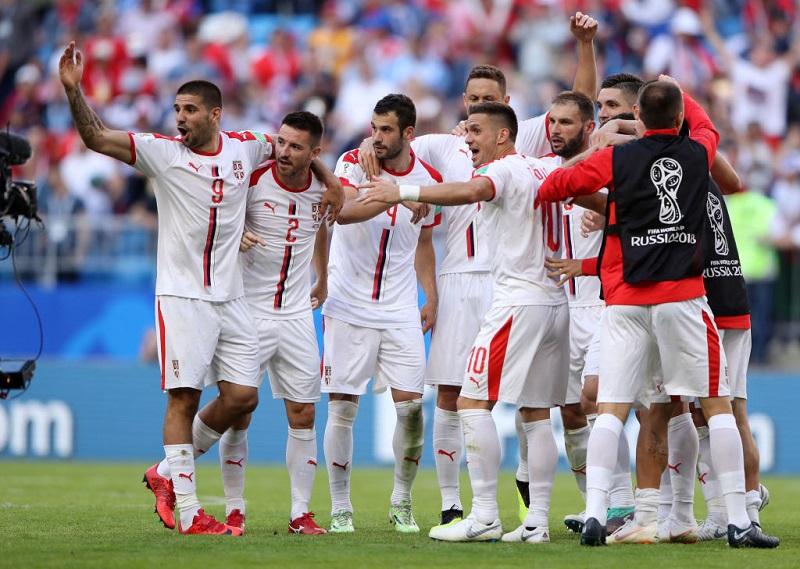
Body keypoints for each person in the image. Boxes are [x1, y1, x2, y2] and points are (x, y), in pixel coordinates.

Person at [58, 41, 342, 536]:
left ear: (215, 114)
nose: (180, 118)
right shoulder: (162, 153)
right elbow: (97, 136)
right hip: (183, 295)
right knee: (184, 397)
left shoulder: (245, 146)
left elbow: (293, 149)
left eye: (189, 110)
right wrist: (73, 91)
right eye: (176, 109)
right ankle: (191, 512)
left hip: (231, 299)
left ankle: (164, 472)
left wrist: (330, 180)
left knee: (243, 397)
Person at [356, 12, 600, 526]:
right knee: (453, 394)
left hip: (510, 284)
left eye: (487, 97)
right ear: (462, 101)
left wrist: (584, 47)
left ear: (505, 104)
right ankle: (453, 504)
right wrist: (367, 147)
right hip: (462, 281)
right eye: (471, 98)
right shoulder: (443, 144)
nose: (476, 106)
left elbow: (578, 106)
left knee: (523, 402)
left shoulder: (522, 141)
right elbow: (392, 145)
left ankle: (520, 503)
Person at [538, 78, 779, 549]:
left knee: (611, 409)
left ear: (638, 118)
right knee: (716, 405)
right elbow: (707, 127)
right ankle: (738, 521)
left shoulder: (617, 159)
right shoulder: (697, 153)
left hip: (626, 303)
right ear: (679, 117)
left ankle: (596, 514)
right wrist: (676, 88)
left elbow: (553, 187)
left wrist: (598, 150)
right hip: (682, 300)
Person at [322, 93, 439, 534]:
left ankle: (401, 501)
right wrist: (396, 197)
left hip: (399, 307)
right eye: (374, 128)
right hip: (348, 302)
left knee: (411, 410)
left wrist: (431, 295)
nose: (377, 137)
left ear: (408, 133)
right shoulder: (353, 162)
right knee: (342, 409)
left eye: (386, 129)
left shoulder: (429, 179)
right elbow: (343, 213)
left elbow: (424, 241)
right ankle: (340, 507)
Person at [221, 111, 331, 535]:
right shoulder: (253, 178)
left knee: (304, 413)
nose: (284, 151)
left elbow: (321, 227)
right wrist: (236, 235)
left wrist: (322, 275)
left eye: (296, 146)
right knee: (238, 412)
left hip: (297, 313)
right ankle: (234, 510)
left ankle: (300, 514)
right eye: (281, 142)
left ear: (314, 153)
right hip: (248, 311)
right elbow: (216, 218)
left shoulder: (323, 189)